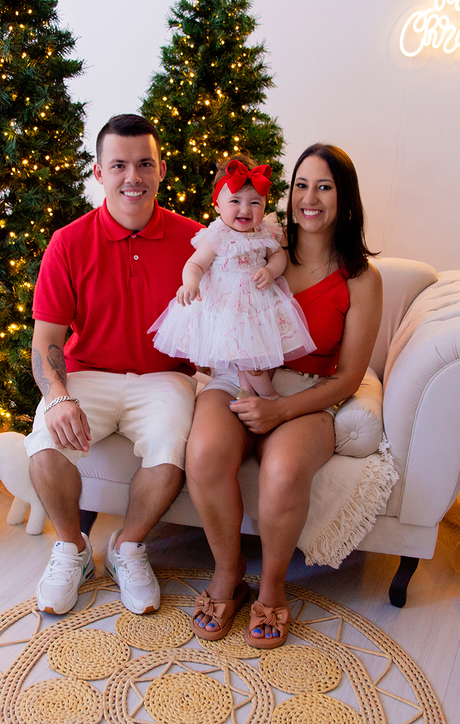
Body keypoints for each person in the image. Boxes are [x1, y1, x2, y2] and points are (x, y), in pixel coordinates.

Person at [184, 143, 383, 648]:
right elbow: (209, 294)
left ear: (346, 199)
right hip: (235, 377)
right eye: (301, 185)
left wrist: (278, 411)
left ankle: (271, 589)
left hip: (310, 392)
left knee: (284, 469)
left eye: (324, 186)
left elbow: (349, 376)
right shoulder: (256, 242)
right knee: (204, 453)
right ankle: (228, 576)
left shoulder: (362, 278)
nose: (309, 199)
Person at [26, 114, 203, 616]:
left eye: (144, 163)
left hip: (164, 378)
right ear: (99, 172)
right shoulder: (68, 242)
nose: (133, 176)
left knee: (170, 450)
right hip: (87, 375)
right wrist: (58, 398)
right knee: (43, 446)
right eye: (119, 165)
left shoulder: (195, 243)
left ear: (162, 169)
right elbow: (45, 343)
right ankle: (73, 549)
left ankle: (128, 546)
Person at [149, 156, 315, 399]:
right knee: (251, 362)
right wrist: (191, 283)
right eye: (235, 201)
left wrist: (271, 270)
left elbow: (279, 256)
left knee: (256, 358)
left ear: (265, 204)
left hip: (258, 305)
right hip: (227, 307)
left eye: (255, 203)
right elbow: (195, 263)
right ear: (217, 205)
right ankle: (270, 397)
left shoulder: (265, 231)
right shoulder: (217, 235)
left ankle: (246, 391)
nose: (245, 209)